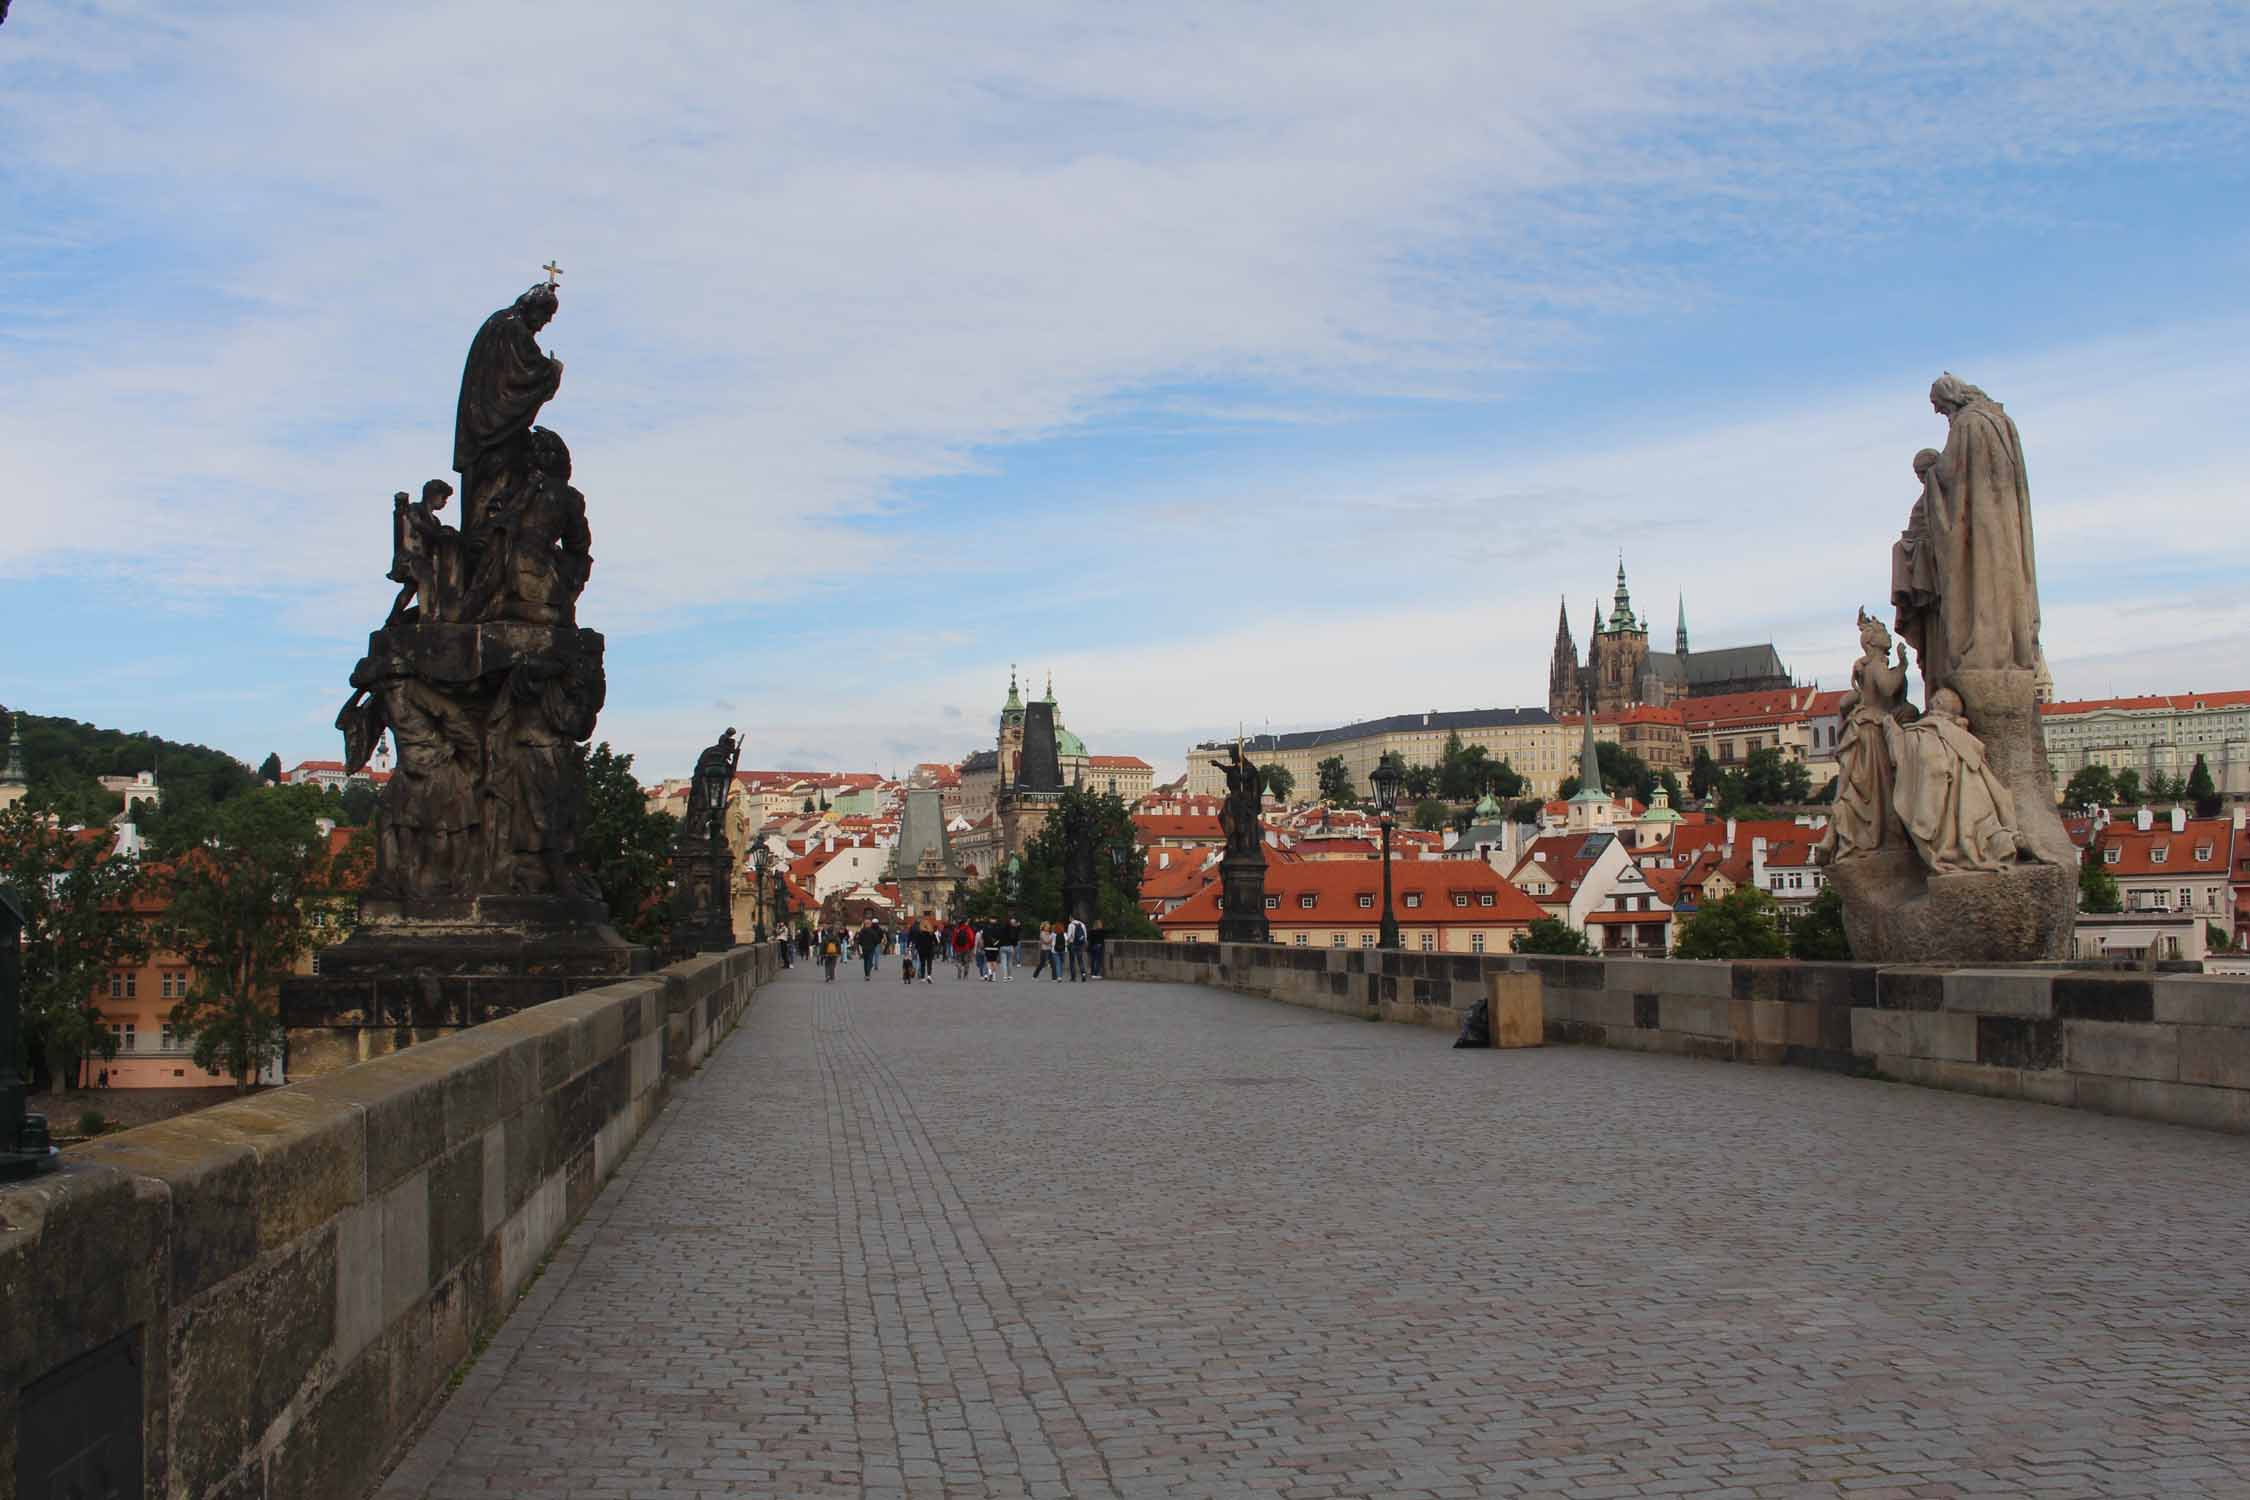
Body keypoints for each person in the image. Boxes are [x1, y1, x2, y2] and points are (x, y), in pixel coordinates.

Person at [1817, 609, 1911, 862]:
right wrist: (1902, 666)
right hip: (1872, 731)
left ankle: (1833, 836)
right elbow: (1888, 688)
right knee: (1877, 790)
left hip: (1859, 728)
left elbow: (1846, 702)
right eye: (1882, 632)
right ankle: (1877, 837)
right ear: (1871, 641)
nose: (1888, 635)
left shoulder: (1865, 666)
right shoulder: (1878, 665)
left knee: (1850, 790)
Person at [912, 920, 939, 985]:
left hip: (921, 951)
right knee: (929, 963)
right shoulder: (931, 933)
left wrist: (916, 949)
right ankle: (929, 976)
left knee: (922, 964)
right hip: (929, 950)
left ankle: (923, 978)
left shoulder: (919, 933)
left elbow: (917, 943)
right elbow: (936, 942)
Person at [1065, 915, 1089, 981]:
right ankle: (1083, 974)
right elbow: (1085, 935)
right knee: (1080, 960)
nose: (1069, 919)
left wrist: (1067, 941)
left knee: (1072, 961)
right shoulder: (1082, 924)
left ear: (1071, 918)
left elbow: (1069, 936)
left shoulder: (1071, 925)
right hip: (1080, 944)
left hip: (1073, 944)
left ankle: (1073, 977)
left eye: (1069, 918)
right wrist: (1085, 942)